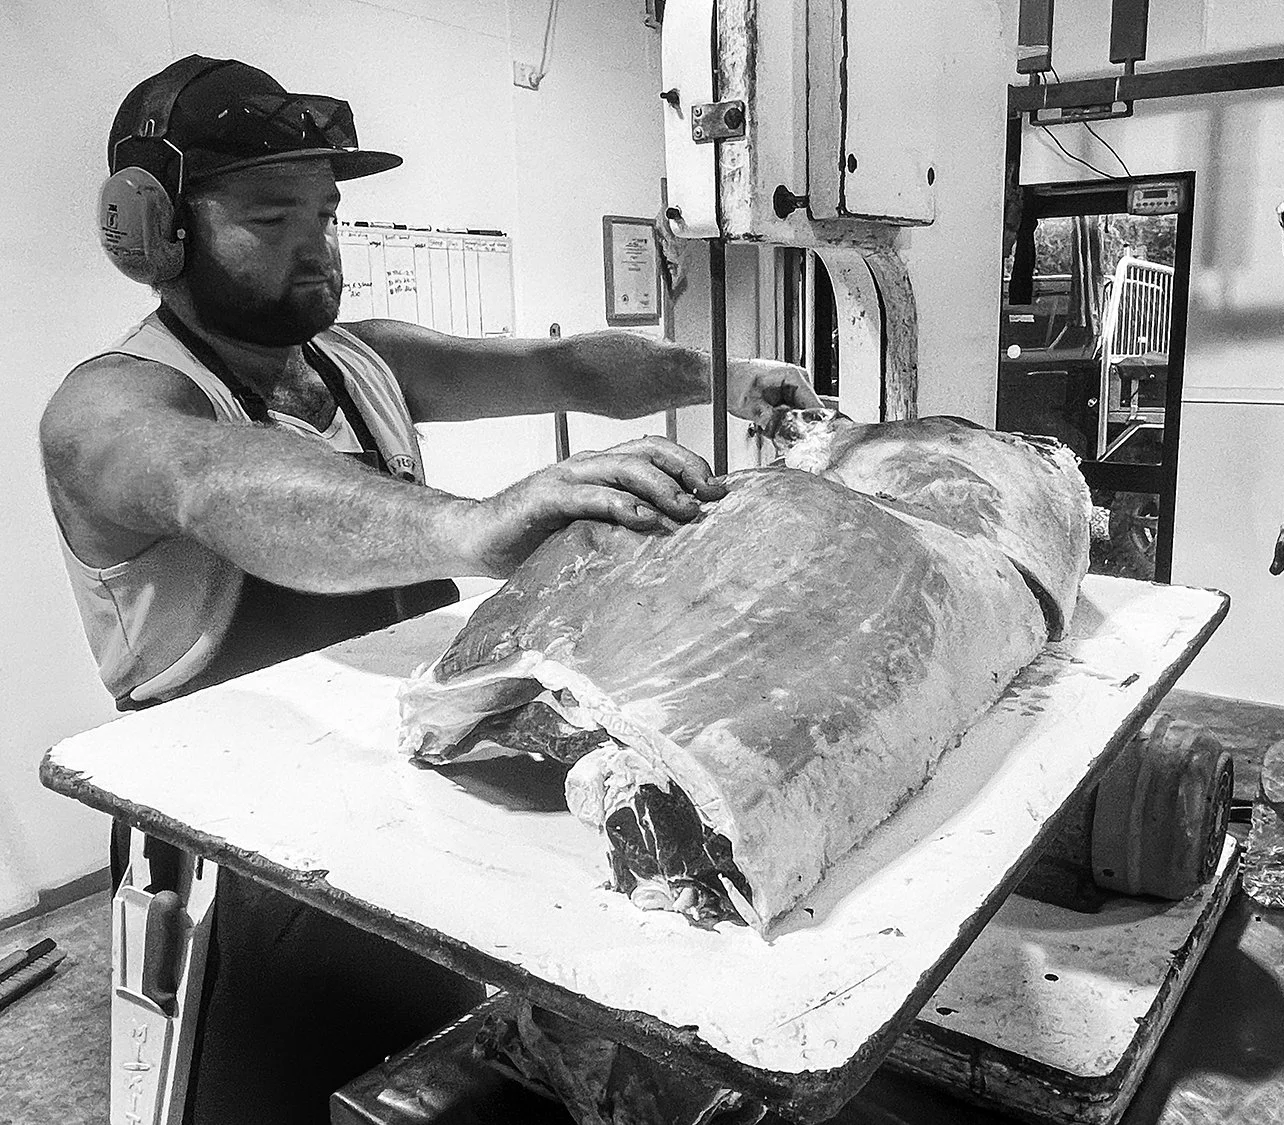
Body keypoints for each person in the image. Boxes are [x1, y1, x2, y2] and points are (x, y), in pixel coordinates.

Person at [40, 55, 818, 1123]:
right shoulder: (107, 412)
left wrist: (726, 381)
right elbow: (224, 487)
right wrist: (477, 526)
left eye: (325, 212)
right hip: (243, 872)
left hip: (400, 817)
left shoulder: (361, 362)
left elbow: (564, 371)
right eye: (271, 216)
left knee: (418, 1078)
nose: (315, 247)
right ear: (154, 231)